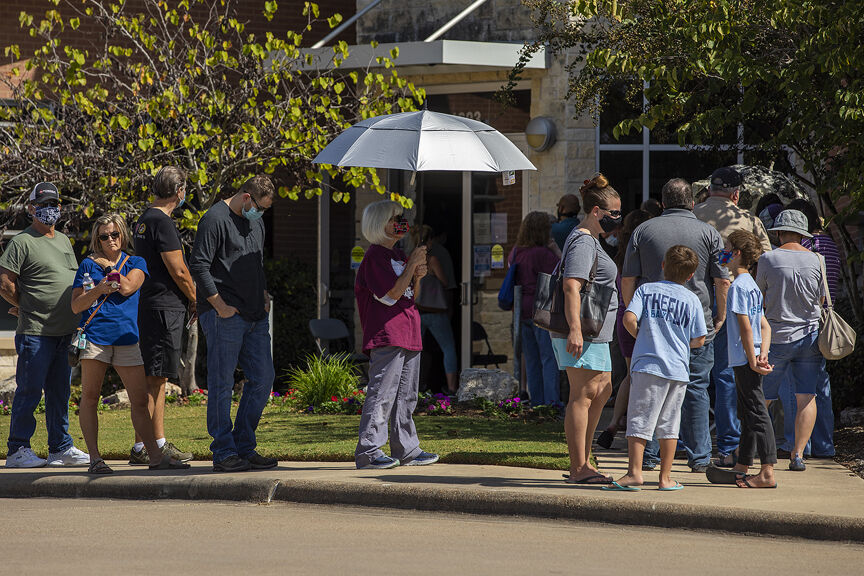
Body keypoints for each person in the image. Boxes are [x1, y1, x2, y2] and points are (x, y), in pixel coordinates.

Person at [622, 178, 730, 473]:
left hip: (653, 326)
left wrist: (638, 318)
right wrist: (720, 316)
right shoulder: (710, 233)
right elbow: (722, 279)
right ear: (692, 203)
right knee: (696, 390)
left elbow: (628, 279)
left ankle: (649, 457)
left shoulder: (643, 230)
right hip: (696, 326)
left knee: (650, 393)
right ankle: (699, 458)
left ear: (663, 203)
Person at [71, 214, 189, 474]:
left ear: (123, 235)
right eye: (104, 236)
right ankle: (95, 459)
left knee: (138, 399)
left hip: (127, 339)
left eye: (115, 234)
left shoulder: (135, 262)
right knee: (90, 398)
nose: (110, 240)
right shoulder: (86, 265)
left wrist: (107, 269)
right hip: (95, 338)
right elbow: (76, 305)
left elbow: (127, 287)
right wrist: (97, 290)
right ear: (96, 239)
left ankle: (155, 457)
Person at [189, 175, 277, 472]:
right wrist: (219, 305)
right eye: (259, 207)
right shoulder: (214, 219)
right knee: (221, 383)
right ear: (246, 197)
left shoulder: (257, 222)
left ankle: (244, 445)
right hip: (223, 315)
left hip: (255, 315)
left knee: (263, 379)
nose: (261, 214)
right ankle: (224, 452)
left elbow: (257, 261)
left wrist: (264, 295)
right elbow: (199, 265)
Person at [0, 183, 90, 468]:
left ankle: (60, 448)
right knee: (29, 390)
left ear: (59, 209)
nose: (48, 209)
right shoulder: (22, 242)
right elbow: (5, 283)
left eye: (53, 204)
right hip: (36, 333)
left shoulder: (64, 240)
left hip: (65, 331)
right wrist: (25, 306)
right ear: (31, 208)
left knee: (59, 392)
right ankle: (17, 450)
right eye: (42, 204)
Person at [604, 246, 706, 491]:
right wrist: (681, 343)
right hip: (678, 369)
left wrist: (643, 336)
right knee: (670, 424)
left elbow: (629, 318)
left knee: (640, 419)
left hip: (649, 364)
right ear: (690, 275)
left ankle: (634, 473)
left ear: (662, 265)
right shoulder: (692, 299)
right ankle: (665, 478)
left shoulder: (646, 290)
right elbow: (700, 338)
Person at [694, 166, 771, 468]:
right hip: (733, 291)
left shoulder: (694, 213)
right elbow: (763, 257)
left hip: (696, 295)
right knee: (727, 375)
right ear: (736, 194)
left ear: (710, 188)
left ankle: (695, 447)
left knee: (692, 376)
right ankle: (728, 446)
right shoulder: (748, 220)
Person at [353, 200, 438, 469]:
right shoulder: (374, 257)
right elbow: (389, 296)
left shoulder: (398, 256)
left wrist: (417, 274)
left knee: (406, 395)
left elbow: (411, 296)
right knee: (382, 393)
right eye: (395, 218)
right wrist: (412, 263)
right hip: (387, 333)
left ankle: (407, 448)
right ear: (380, 224)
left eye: (402, 218)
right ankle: (368, 450)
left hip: (408, 331)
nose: (402, 223)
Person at [552, 173, 620, 484]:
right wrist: (575, 330)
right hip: (583, 329)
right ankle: (579, 466)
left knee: (602, 389)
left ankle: (585, 460)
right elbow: (571, 286)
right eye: (613, 214)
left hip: (597, 331)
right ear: (595, 211)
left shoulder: (592, 240)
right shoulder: (582, 239)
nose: (616, 219)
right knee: (584, 393)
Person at [129, 166, 195, 466]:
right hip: (164, 307)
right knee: (157, 378)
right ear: (179, 191)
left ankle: (146, 443)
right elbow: (178, 269)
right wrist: (196, 298)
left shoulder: (144, 219)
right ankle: (153, 445)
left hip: (150, 305)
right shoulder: (162, 222)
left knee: (153, 376)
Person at [757, 209, 832, 471]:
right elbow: (821, 300)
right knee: (807, 397)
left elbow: (760, 299)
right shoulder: (817, 260)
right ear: (803, 235)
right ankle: (797, 455)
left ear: (778, 232)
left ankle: (756, 452)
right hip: (810, 336)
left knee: (762, 397)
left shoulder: (768, 259)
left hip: (776, 336)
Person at [708, 229, 777, 488]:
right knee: (748, 411)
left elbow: (747, 327)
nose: (724, 253)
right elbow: (765, 327)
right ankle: (742, 465)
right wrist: (762, 353)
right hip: (754, 355)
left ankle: (767, 471)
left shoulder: (737, 287)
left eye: (727, 248)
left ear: (736, 253)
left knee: (757, 412)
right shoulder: (753, 287)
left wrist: (750, 359)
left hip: (744, 358)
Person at [786, 198, 840, 458]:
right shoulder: (831, 243)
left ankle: (801, 446)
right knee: (820, 387)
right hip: (826, 319)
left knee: (801, 391)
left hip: (804, 321)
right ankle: (825, 444)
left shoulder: (804, 247)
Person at [597, 209, 653, 450]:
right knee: (645, 376)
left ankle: (612, 423)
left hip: (622, 314)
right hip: (640, 315)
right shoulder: (644, 251)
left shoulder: (622, 250)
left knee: (631, 374)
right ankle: (635, 428)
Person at [509, 212, 561, 406]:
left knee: (531, 360)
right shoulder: (543, 253)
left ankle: (537, 402)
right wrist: (557, 250)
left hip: (521, 311)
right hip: (542, 311)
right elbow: (564, 273)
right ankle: (551, 403)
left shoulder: (516, 252)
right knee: (548, 359)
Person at [414, 225, 458, 395]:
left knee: (416, 350)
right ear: (430, 240)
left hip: (417, 310)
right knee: (448, 348)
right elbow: (445, 282)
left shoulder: (411, 260)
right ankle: (452, 387)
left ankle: (417, 384)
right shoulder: (432, 260)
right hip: (435, 311)